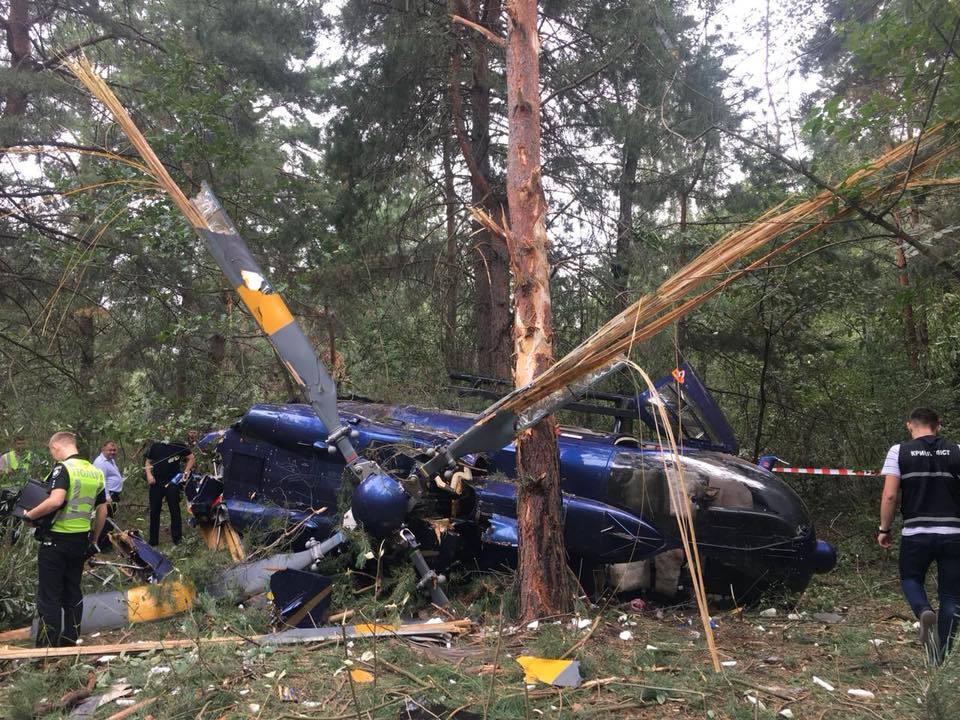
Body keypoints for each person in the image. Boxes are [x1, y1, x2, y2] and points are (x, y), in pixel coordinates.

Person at [878, 407, 960, 663]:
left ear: (909, 426)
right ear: (939, 425)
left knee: (911, 578)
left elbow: (890, 495)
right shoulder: (957, 450)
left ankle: (924, 610)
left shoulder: (899, 451)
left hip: (916, 532)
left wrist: (884, 528)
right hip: (954, 533)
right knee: (951, 596)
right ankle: (940, 657)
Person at [23, 431, 107, 647]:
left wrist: (30, 515)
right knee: (72, 592)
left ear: (56, 447)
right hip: (80, 541)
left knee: (49, 596)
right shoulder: (95, 472)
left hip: (56, 541)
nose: (53, 457)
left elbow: (55, 501)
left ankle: (46, 648)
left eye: (52, 452)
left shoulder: (63, 468)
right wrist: (94, 539)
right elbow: (102, 510)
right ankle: (69, 642)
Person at [144, 430, 196, 546]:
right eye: (162, 430)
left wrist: (186, 472)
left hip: (172, 481)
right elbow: (147, 462)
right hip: (156, 482)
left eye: (167, 429)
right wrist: (149, 475)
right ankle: (153, 542)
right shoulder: (155, 445)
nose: (164, 431)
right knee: (154, 511)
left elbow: (191, 457)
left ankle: (177, 540)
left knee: (175, 510)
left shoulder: (177, 444)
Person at [93, 440, 123, 547]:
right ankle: (101, 544)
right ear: (103, 449)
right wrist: (106, 497)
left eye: (114, 450)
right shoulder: (100, 463)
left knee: (110, 520)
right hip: (107, 496)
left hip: (113, 495)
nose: (112, 452)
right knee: (106, 521)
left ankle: (106, 542)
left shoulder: (110, 460)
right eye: (110, 450)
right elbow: (101, 481)